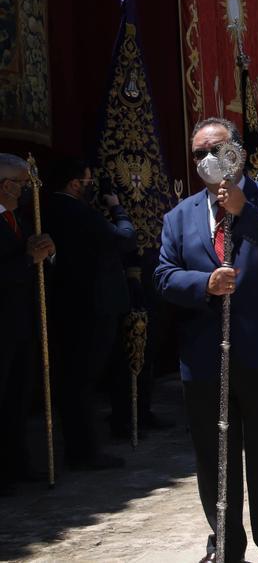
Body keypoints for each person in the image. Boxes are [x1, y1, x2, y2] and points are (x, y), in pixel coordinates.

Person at [155, 117, 258, 561]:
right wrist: (203, 283)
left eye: (217, 148)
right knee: (214, 455)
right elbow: (164, 275)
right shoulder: (179, 215)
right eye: (199, 152)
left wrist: (247, 212)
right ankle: (224, 543)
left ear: (238, 151)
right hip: (206, 356)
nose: (208, 158)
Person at [43, 158, 136, 470]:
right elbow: (123, 238)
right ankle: (84, 451)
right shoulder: (77, 210)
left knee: (72, 379)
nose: (90, 186)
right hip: (93, 306)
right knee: (82, 380)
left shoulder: (44, 207)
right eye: (87, 180)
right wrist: (118, 210)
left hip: (66, 304)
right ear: (74, 184)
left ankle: (79, 446)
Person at [0, 154, 55, 493]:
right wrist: (26, 260)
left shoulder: (17, 219)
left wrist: (45, 254)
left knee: (19, 396)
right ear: (6, 185)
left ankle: (16, 463)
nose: (25, 190)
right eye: (22, 184)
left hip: (20, 322)